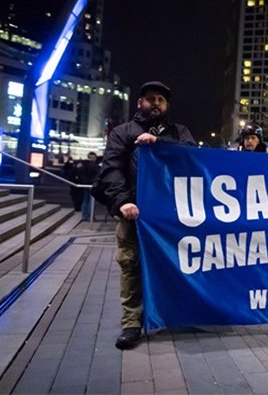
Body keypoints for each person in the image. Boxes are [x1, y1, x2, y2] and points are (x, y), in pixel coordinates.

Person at [92, 81, 196, 350]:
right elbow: (111, 169)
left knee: (176, 264)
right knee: (131, 265)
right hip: (134, 214)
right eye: (151, 98)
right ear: (140, 103)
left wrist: (159, 143)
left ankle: (174, 313)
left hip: (172, 217)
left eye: (162, 99)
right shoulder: (123, 132)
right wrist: (123, 201)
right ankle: (131, 323)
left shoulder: (179, 132)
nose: (156, 103)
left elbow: (194, 158)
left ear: (167, 106)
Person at [78, 152, 99, 221]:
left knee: (85, 200)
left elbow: (80, 174)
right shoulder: (95, 165)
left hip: (85, 184)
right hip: (92, 184)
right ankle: (90, 216)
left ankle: (84, 215)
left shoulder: (83, 165)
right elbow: (98, 175)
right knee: (91, 201)